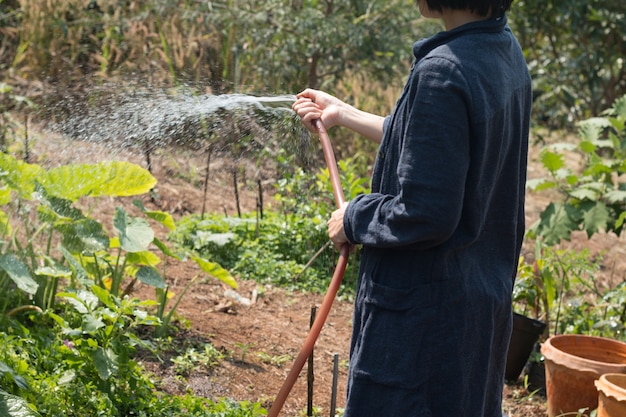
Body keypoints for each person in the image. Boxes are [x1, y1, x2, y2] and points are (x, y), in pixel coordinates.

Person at [292, 0, 531, 416]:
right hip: (474, 311)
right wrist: (344, 113)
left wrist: (354, 218)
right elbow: (433, 143)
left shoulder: (443, 73)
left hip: (424, 325)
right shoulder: (502, 51)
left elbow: (425, 212)